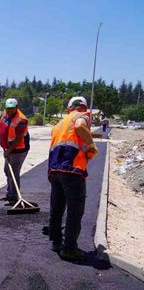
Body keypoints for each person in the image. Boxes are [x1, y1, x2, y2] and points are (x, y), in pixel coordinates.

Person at [48, 96, 98, 262]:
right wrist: (92, 145)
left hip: (55, 170)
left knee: (57, 207)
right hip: (72, 171)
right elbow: (80, 127)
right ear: (83, 107)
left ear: (68, 108)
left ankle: (56, 242)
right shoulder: (81, 116)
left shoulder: (59, 124)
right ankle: (69, 249)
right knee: (75, 209)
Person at [0, 98, 30, 204]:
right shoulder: (5, 114)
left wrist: (8, 151)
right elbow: (1, 127)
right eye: (7, 109)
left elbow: (18, 139)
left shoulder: (21, 120)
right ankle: (9, 193)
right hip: (9, 148)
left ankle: (14, 198)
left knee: (14, 172)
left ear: (16, 108)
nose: (9, 111)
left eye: (12, 109)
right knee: (7, 170)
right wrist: (0, 139)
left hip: (19, 149)